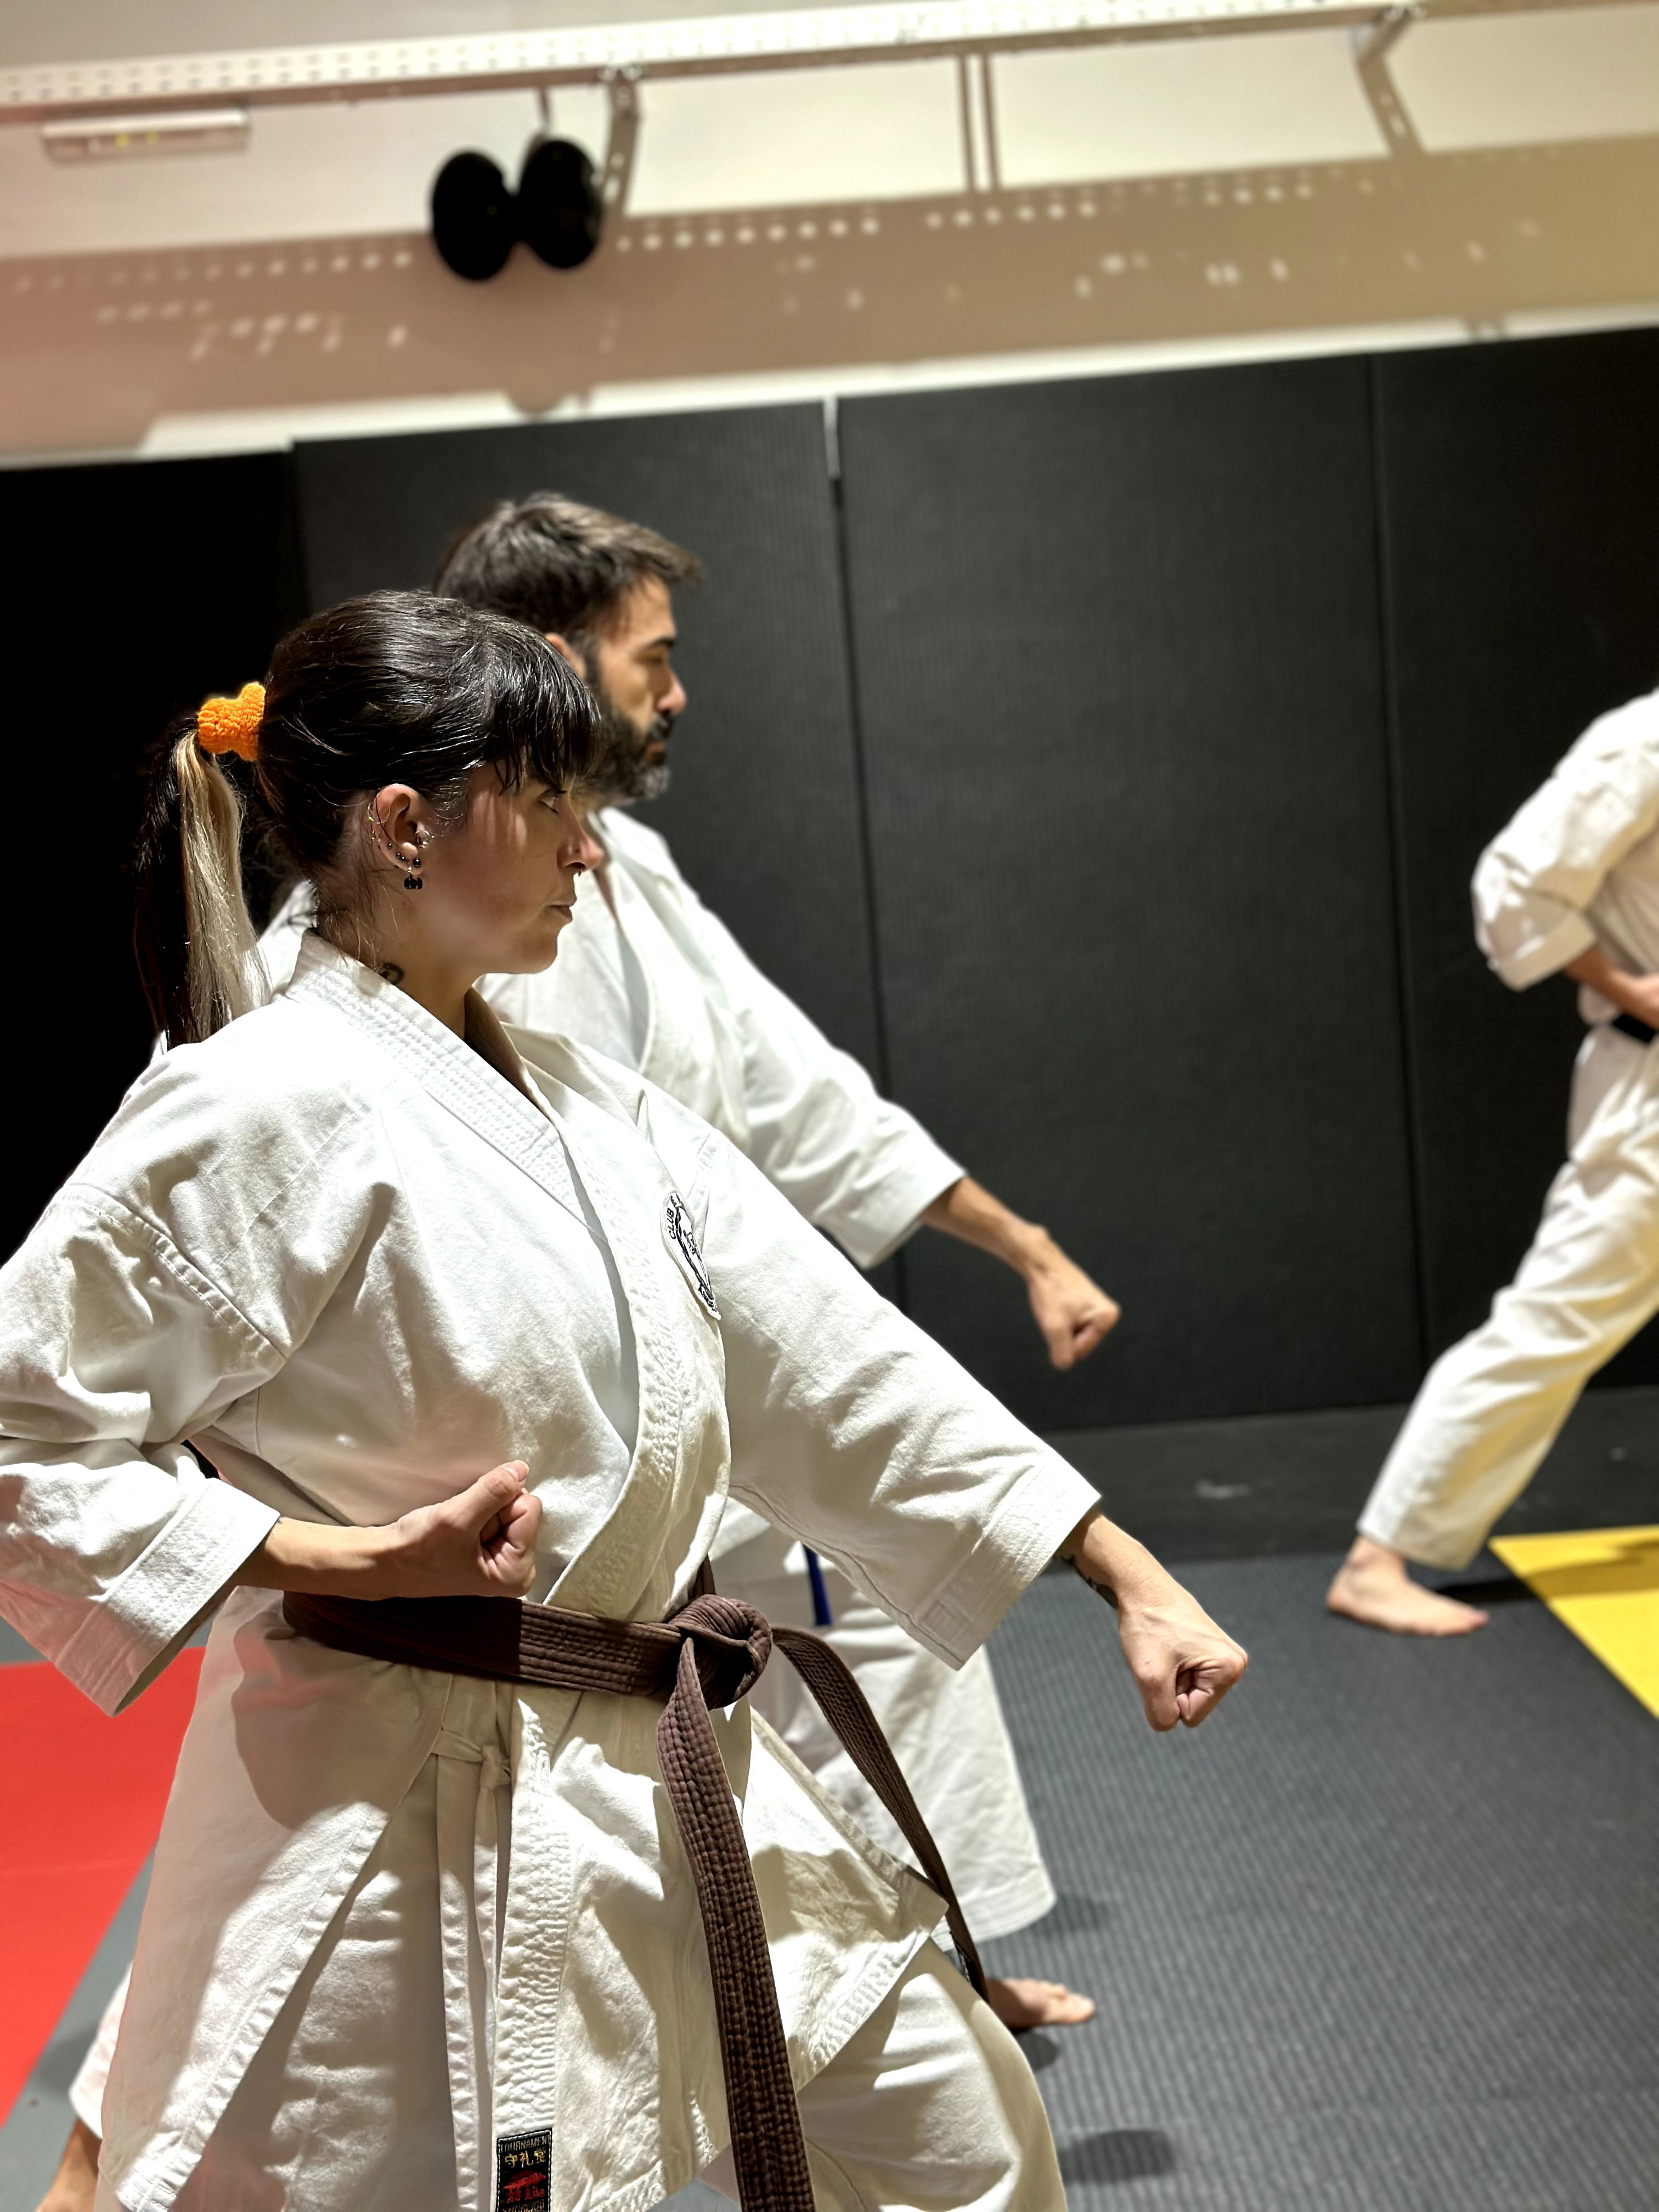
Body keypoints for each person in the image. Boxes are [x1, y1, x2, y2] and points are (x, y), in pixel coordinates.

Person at [5, 591, 1246, 2212]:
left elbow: (820, 1354)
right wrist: (332, 1560)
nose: (593, 854)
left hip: (672, 1748)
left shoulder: (596, 1108)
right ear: (405, 828)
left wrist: (1115, 1568)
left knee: (963, 2143)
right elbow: (24, 1429)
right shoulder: (253, 1110)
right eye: (556, 802)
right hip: (413, 1803)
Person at [285, 494, 1113, 2029]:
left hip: (705, 1369)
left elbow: (798, 1100)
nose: (677, 692)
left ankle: (923, 1975)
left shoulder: (624, 875)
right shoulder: (376, 955)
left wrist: (1022, 1244)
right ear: (548, 656)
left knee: (887, 1635)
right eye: (651, 656)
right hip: (526, 1466)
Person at [1329, 684, 1659, 1635]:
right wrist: (1623, 981)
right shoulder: (1640, 743)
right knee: (1557, 1316)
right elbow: (1515, 886)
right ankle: (1377, 1556)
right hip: (1649, 1090)